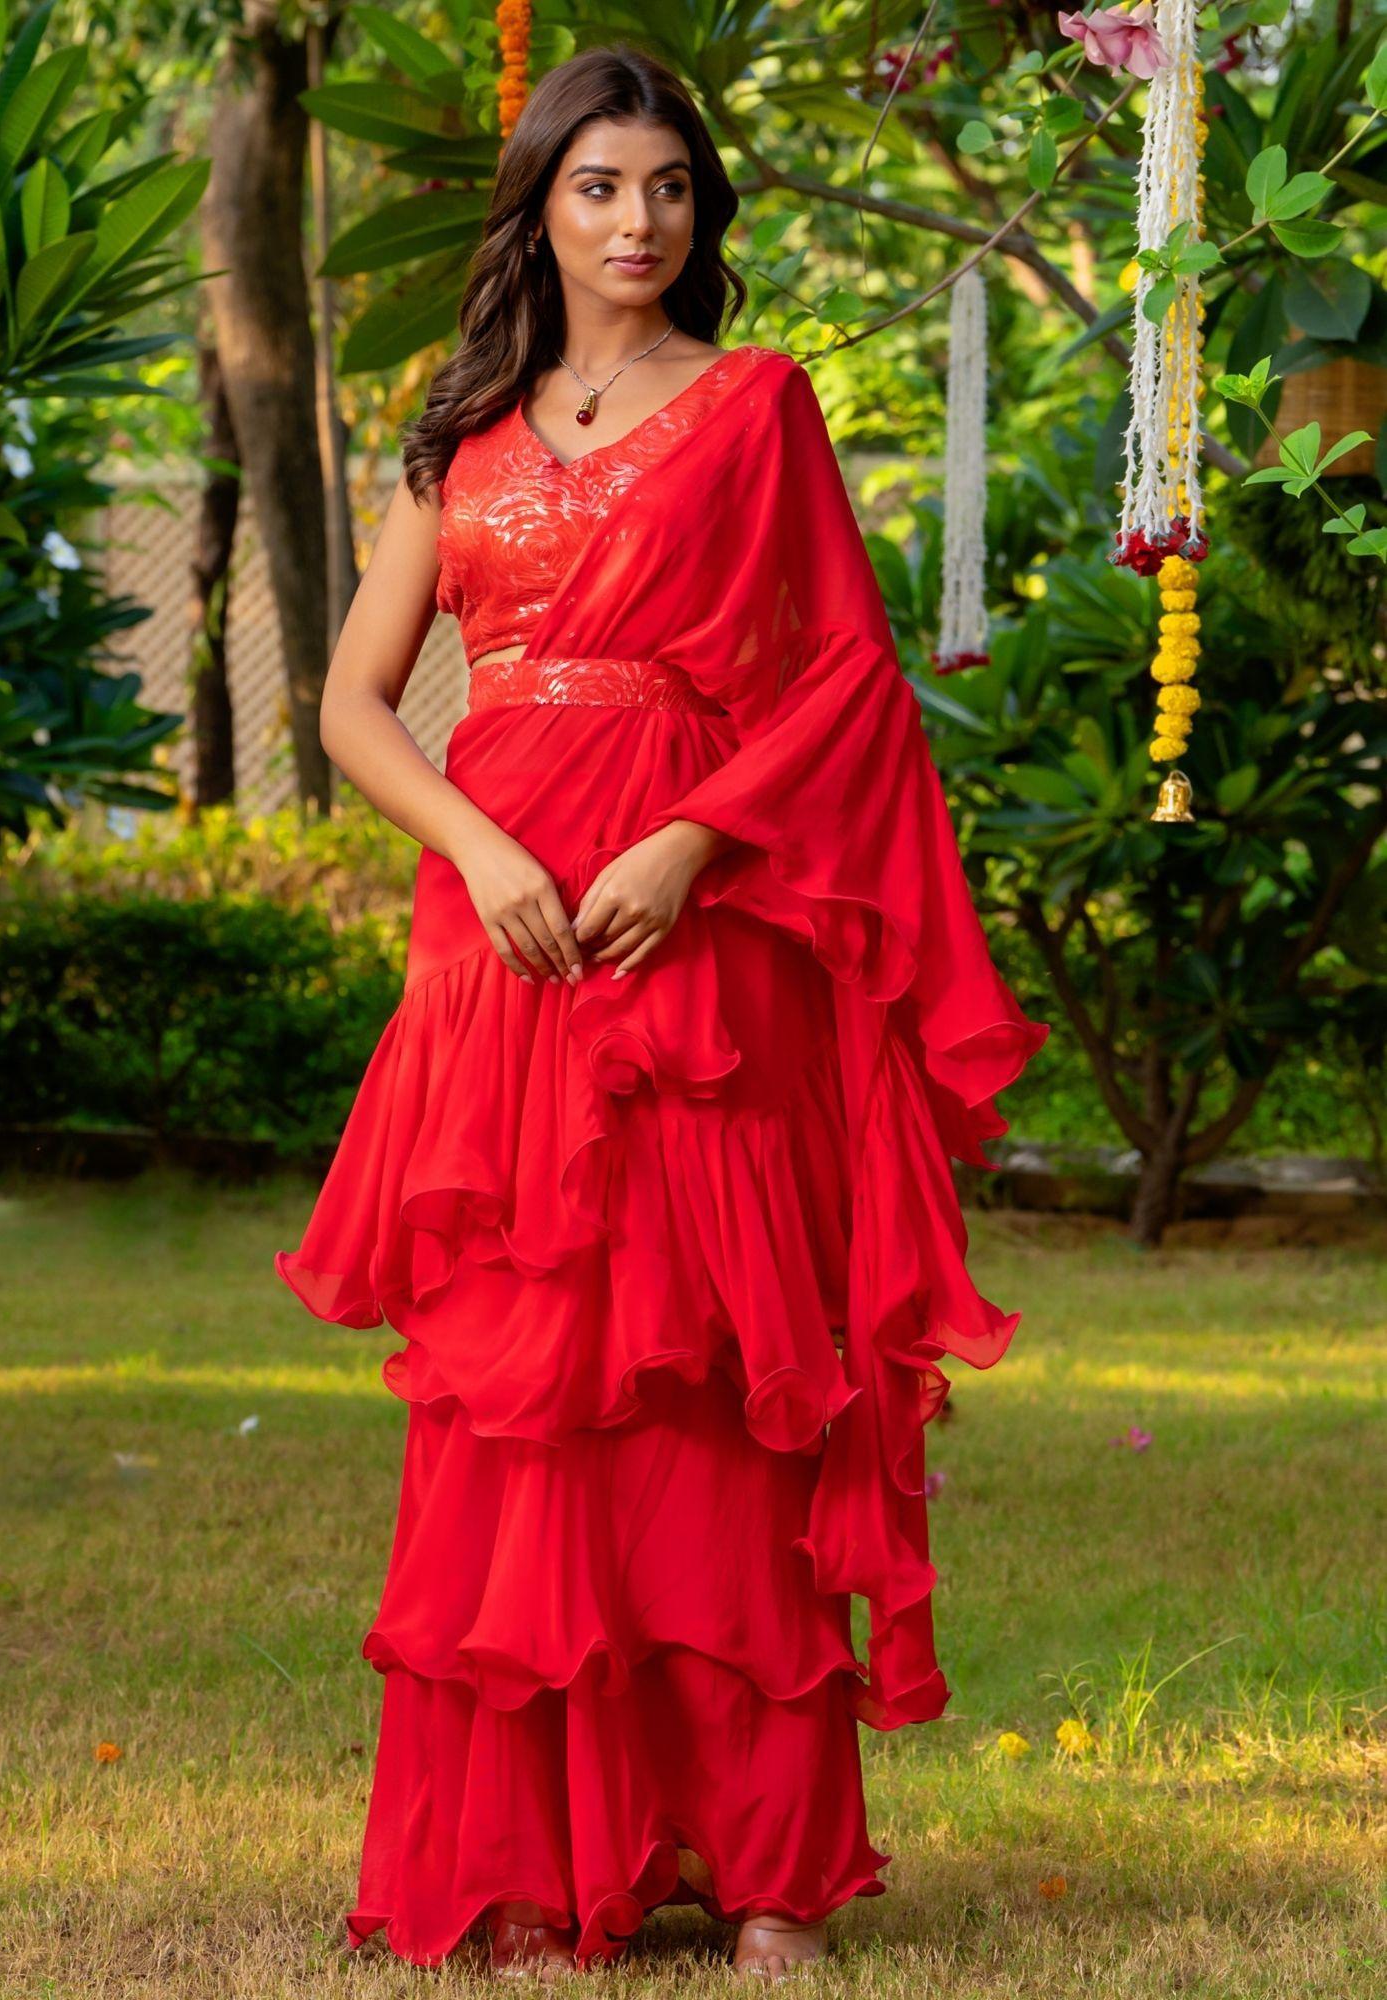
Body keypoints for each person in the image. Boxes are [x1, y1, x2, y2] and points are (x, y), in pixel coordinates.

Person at [275, 40, 1049, 1985]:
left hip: (687, 945)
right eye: (601, 186)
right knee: (529, 1403)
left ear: (702, 216)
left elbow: (848, 681)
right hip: (506, 943)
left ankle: (770, 1874)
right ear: (539, 205)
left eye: (672, 189)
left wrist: (698, 840)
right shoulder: (460, 434)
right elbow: (357, 703)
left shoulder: (759, 407)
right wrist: (482, 848)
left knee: (712, 1393)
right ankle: (548, 1867)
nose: (639, 221)